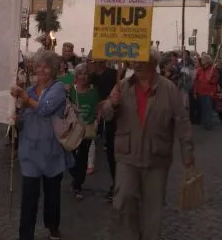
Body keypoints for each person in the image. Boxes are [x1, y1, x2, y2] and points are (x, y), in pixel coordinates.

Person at [101, 47, 195, 240]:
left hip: (156, 157)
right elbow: (107, 115)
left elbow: (182, 121)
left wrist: (187, 152)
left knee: (153, 209)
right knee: (124, 201)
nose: (135, 65)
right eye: (134, 62)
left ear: (152, 64)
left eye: (140, 62)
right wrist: (113, 103)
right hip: (127, 155)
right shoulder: (123, 86)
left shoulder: (169, 89)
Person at [11, 49, 74, 240]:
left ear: (54, 70)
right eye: (39, 66)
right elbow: (22, 121)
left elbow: (45, 108)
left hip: (51, 152)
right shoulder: (29, 90)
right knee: (29, 197)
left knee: (52, 195)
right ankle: (25, 235)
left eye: (46, 67)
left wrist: (24, 98)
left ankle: (52, 226)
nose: (42, 70)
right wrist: (15, 117)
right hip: (29, 152)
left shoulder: (58, 89)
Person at [68, 63, 99, 200]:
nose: (83, 77)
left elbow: (96, 107)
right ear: (76, 76)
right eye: (80, 74)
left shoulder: (94, 91)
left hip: (88, 128)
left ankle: (78, 184)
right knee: (69, 155)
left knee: (83, 157)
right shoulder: (71, 91)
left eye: (86, 74)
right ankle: (76, 176)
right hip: (73, 128)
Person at [89, 59, 118, 201]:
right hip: (99, 116)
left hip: (114, 117)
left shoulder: (114, 73)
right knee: (109, 151)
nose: (91, 64)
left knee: (114, 151)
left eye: (93, 62)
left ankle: (118, 185)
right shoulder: (92, 77)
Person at [193, 54, 219, 130]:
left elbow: (216, 79)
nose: (202, 61)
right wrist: (195, 92)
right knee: (203, 108)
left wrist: (211, 80)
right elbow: (196, 82)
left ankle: (208, 124)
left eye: (203, 60)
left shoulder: (212, 69)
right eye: (202, 60)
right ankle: (204, 122)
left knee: (208, 108)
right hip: (201, 91)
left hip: (209, 92)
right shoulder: (200, 70)